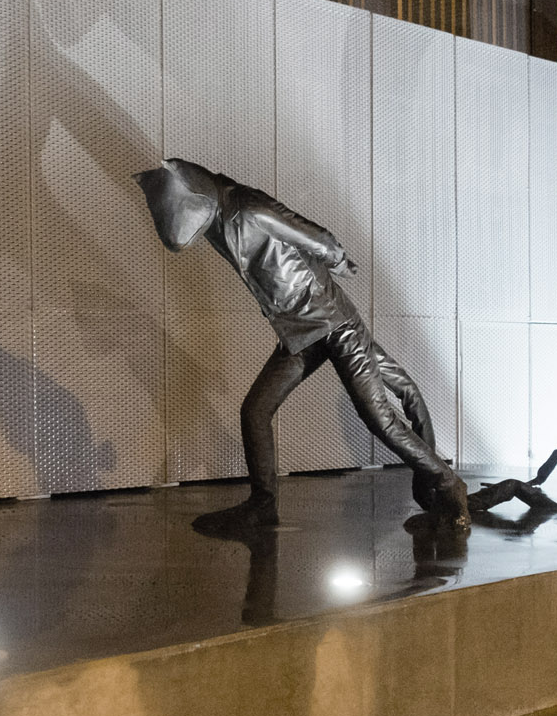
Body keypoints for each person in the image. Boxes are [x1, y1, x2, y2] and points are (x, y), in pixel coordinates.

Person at [134, 158, 469, 524]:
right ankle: (263, 504)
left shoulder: (249, 208)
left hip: (334, 323)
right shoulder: (218, 222)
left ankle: (448, 484)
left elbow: (310, 234)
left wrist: (337, 259)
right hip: (299, 331)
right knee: (256, 411)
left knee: (380, 418)